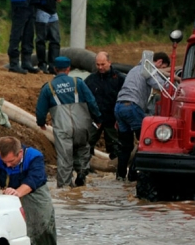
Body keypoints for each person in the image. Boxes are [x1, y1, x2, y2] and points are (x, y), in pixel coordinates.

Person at [35, 56, 101, 188]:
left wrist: (41, 122)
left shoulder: (48, 87)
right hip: (82, 126)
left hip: (63, 127)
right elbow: (92, 102)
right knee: (83, 150)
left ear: (55, 69)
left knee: (65, 158)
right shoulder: (79, 83)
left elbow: (40, 110)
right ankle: (81, 173)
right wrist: (98, 119)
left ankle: (65, 189)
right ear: (69, 69)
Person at [114, 52, 171, 181]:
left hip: (119, 107)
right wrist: (173, 82)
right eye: (161, 69)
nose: (159, 72)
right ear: (159, 62)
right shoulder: (148, 69)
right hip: (132, 107)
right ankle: (134, 175)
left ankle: (120, 176)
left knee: (126, 146)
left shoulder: (134, 69)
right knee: (146, 143)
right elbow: (161, 85)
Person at [84, 52, 125, 167]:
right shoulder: (91, 79)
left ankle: (119, 172)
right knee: (87, 144)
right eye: (98, 65)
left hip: (112, 120)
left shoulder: (119, 79)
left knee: (115, 147)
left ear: (109, 63)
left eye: (103, 64)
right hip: (94, 120)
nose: (100, 67)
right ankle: (85, 170)